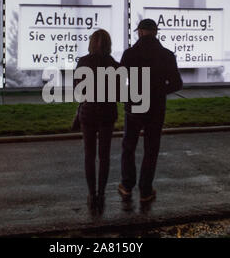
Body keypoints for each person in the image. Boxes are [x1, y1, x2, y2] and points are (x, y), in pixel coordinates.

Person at [118, 19, 183, 203]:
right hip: (156, 107)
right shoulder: (167, 55)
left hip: (135, 105)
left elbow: (120, 80)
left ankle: (127, 186)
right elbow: (177, 83)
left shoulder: (130, 53)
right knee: (151, 148)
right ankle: (146, 190)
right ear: (155, 32)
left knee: (128, 146)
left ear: (139, 32)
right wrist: (158, 91)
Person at [74, 29, 120, 213]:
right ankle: (101, 193)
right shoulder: (115, 65)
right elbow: (119, 93)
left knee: (89, 155)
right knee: (104, 156)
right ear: (109, 44)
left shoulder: (83, 62)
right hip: (107, 113)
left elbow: (78, 91)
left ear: (91, 43)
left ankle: (91, 194)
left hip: (89, 113)